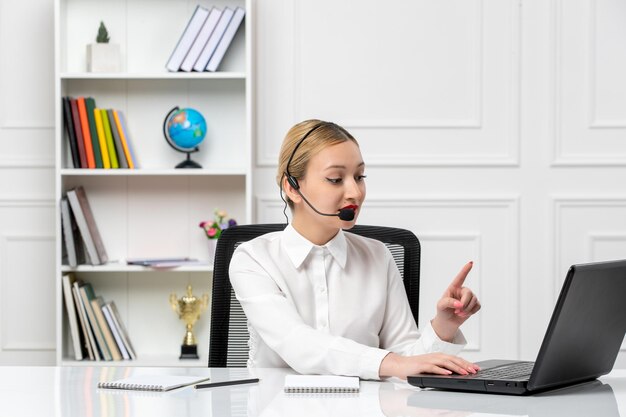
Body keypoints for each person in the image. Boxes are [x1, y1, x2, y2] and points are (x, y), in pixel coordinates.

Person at [229, 120, 481, 380]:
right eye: (335, 179)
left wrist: (444, 327)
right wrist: (392, 364)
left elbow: (406, 362)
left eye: (359, 177)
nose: (355, 192)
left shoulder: (378, 256)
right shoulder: (253, 259)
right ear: (292, 187)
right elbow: (296, 343)